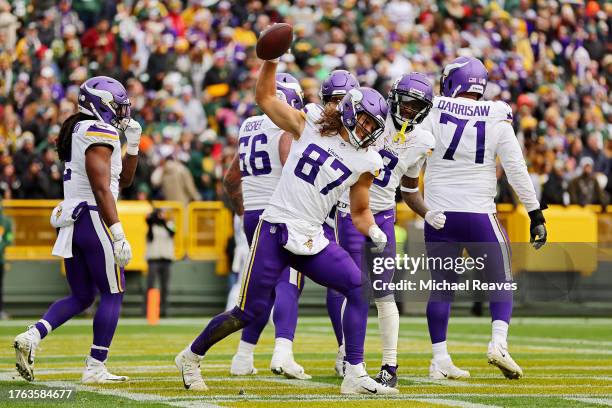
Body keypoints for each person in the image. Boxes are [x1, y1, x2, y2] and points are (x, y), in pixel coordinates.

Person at [174, 55, 398, 395]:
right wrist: (270, 61)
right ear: (350, 112)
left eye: (373, 128)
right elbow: (264, 97)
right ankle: (191, 356)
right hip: (276, 228)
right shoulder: (310, 121)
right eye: (364, 122)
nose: (367, 131)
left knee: (356, 287)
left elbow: (361, 209)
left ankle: (354, 372)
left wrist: (374, 230)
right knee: (247, 312)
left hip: (311, 235)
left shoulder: (367, 158)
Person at [405, 56, 547, 380]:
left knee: (441, 289)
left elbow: (414, 149)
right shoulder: (496, 114)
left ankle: (439, 359)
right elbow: (515, 168)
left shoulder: (435, 108)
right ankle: (498, 342)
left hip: (438, 214)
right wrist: (535, 212)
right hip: (479, 214)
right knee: (502, 279)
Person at [13, 76, 142, 383]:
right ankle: (96, 366)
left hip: (75, 221)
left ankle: (32, 336)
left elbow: (121, 181)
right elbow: (101, 188)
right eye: (118, 107)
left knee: (82, 295)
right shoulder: (99, 130)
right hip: (94, 217)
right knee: (113, 292)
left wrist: (133, 146)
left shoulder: (80, 129)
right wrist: (119, 232)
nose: (123, 113)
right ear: (101, 105)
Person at [334, 72, 436, 387]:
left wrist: (428, 212)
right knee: (353, 289)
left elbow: (408, 188)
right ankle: (350, 358)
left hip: (383, 216)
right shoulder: (372, 113)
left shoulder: (422, 141)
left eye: (415, 107)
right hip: (349, 211)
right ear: (394, 98)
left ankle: (389, 366)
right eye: (405, 104)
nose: (407, 112)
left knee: (383, 291)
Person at [225, 73, 312, 379]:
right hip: (281, 213)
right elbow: (292, 169)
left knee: (263, 290)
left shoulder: (249, 125)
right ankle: (283, 353)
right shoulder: (284, 126)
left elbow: (230, 178)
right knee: (289, 281)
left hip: (253, 214)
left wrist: (243, 211)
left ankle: (243, 357)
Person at [144, 207, 175, 318]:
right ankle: (148, 310)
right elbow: (150, 237)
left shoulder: (170, 225)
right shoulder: (151, 227)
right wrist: (151, 222)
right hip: (154, 259)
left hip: (166, 260)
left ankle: (164, 311)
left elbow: (172, 233)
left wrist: (164, 223)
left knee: (165, 287)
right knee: (150, 285)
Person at [0, 200, 13, 320]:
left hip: (0, 259)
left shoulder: (6, 221)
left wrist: (3, 244)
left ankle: (0, 310)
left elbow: (10, 237)